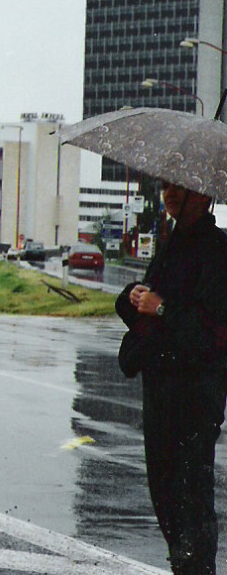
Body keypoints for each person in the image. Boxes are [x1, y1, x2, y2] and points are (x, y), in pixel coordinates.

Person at [115, 181, 227, 575]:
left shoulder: (218, 251)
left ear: (205, 194)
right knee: (165, 497)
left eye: (180, 187)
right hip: (160, 391)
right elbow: (149, 306)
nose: (170, 193)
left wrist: (162, 309)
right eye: (165, 185)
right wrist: (132, 297)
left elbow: (212, 334)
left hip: (195, 398)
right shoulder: (171, 242)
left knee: (191, 502)